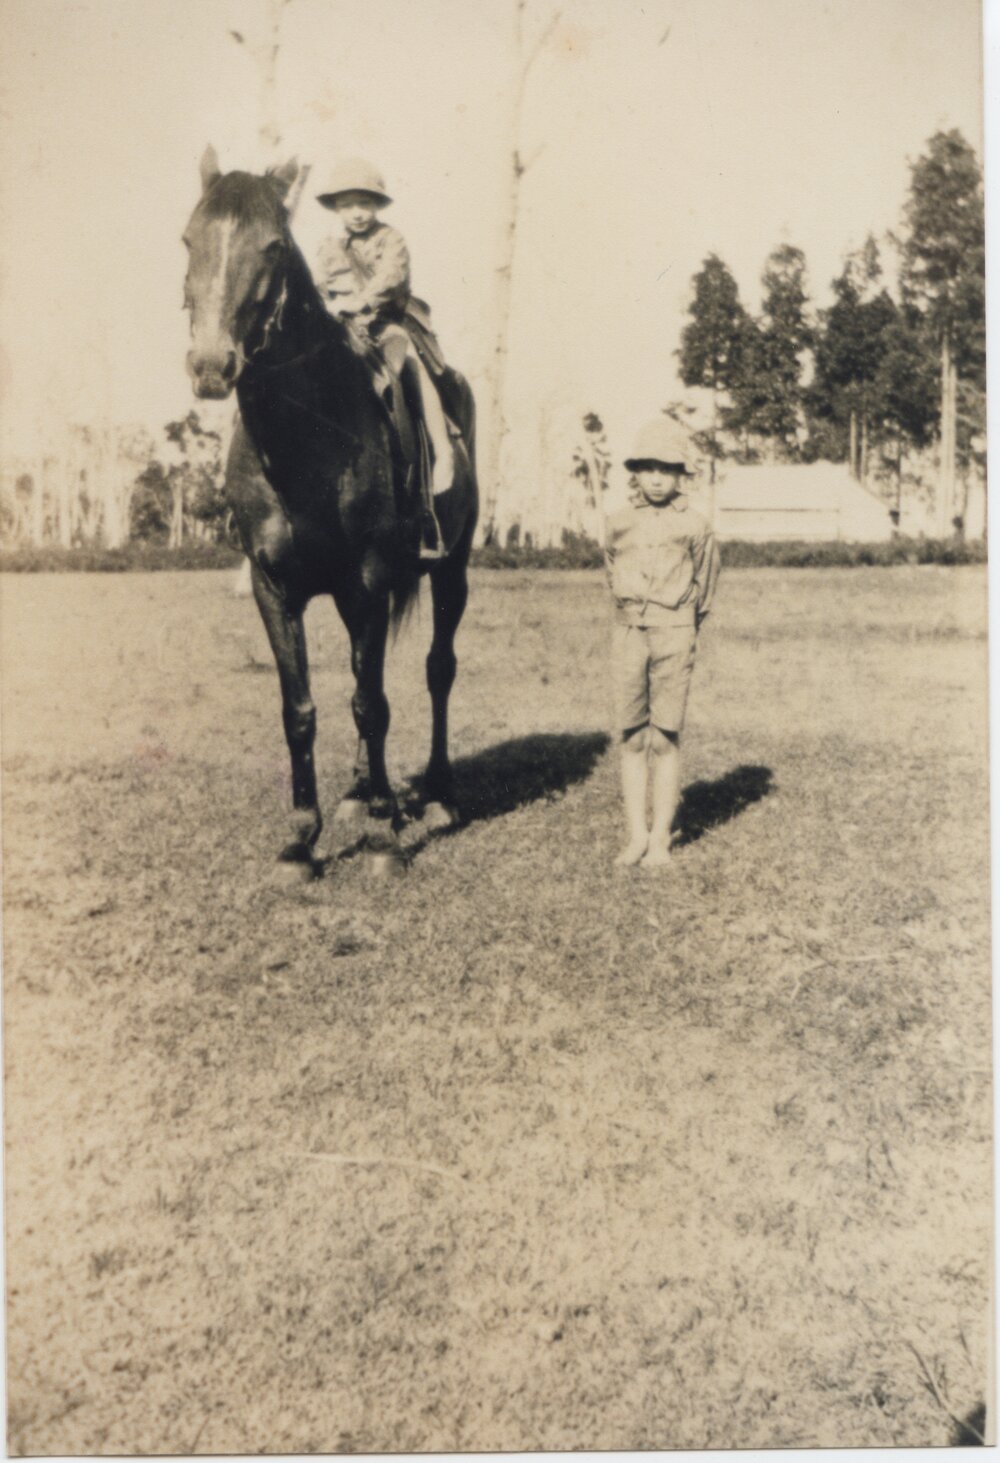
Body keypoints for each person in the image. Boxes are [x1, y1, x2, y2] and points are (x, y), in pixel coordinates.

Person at [314, 158, 454, 558]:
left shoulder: (392, 239)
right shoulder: (328, 247)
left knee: (409, 367)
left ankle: (441, 457)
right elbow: (319, 287)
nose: (357, 213)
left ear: (376, 206)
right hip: (341, 331)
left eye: (364, 203)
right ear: (337, 209)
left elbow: (391, 279)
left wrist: (358, 301)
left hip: (385, 326)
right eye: (347, 204)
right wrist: (326, 307)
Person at [604, 419, 720, 869]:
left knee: (665, 737)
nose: (656, 478)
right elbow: (610, 573)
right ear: (635, 472)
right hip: (629, 633)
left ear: (680, 475)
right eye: (647, 468)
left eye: (666, 469)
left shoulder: (695, 526)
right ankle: (636, 835)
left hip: (675, 634)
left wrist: (679, 624)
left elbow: (705, 588)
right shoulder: (617, 523)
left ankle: (660, 840)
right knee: (633, 737)